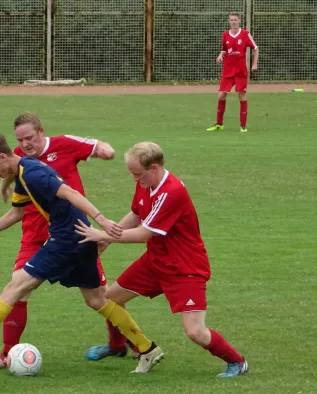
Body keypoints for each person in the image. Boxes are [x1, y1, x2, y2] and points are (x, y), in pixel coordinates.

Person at [0, 133, 164, 374]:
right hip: (80, 238)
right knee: (96, 300)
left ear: (2, 157)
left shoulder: (32, 173)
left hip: (66, 240)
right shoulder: (22, 172)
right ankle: (147, 349)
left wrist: (102, 220)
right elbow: (17, 213)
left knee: (16, 287)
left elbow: (71, 193)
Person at [75, 141, 249, 378]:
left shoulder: (172, 192)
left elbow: (145, 234)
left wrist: (104, 234)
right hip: (156, 261)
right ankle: (118, 347)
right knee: (111, 299)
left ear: (154, 168)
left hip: (185, 267)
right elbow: (136, 213)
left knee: (195, 331)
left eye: (138, 174)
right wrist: (107, 239)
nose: (135, 179)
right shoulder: (146, 183)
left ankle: (237, 362)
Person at [0, 113, 129, 368]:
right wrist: (3, 186)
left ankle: (121, 345)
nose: (25, 145)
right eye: (20, 140)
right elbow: (10, 168)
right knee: (16, 290)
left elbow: (97, 147)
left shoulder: (65, 144)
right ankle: (7, 354)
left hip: (73, 234)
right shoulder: (15, 155)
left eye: (29, 138)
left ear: (41, 132)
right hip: (35, 235)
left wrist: (105, 150)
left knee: (99, 296)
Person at [207, 12, 259, 133]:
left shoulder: (245, 34)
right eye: (231, 20)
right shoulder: (225, 35)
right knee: (221, 95)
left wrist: (254, 64)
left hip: (240, 71)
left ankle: (243, 126)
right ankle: (219, 124)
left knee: (242, 95)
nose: (233, 22)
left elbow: (256, 49)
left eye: (235, 20)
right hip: (228, 70)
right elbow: (224, 49)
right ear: (229, 21)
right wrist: (221, 55)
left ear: (239, 21)